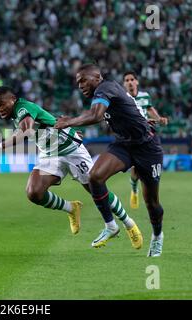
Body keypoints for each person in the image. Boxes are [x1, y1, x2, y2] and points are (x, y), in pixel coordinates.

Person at [0, 86, 142, 249]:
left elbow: (26, 130)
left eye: (2, 104)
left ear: (13, 99)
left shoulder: (23, 108)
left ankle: (129, 223)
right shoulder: (17, 113)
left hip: (71, 150)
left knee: (97, 190)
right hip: (50, 155)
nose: (0, 109)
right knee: (34, 192)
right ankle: (71, 208)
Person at [55, 64, 165, 257]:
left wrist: (68, 121)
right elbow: (128, 107)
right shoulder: (107, 91)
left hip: (148, 148)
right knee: (95, 177)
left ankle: (157, 237)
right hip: (124, 144)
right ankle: (111, 225)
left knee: (151, 203)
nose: (80, 86)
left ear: (97, 77)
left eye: (83, 80)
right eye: (77, 83)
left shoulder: (104, 88)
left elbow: (96, 115)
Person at [123, 71, 168, 209]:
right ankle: (134, 189)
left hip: (147, 135)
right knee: (135, 168)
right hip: (132, 136)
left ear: (136, 82)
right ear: (124, 84)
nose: (130, 82)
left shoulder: (145, 96)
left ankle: (145, 192)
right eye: (127, 80)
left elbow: (150, 109)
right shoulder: (122, 98)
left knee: (145, 169)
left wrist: (159, 119)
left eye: (132, 79)